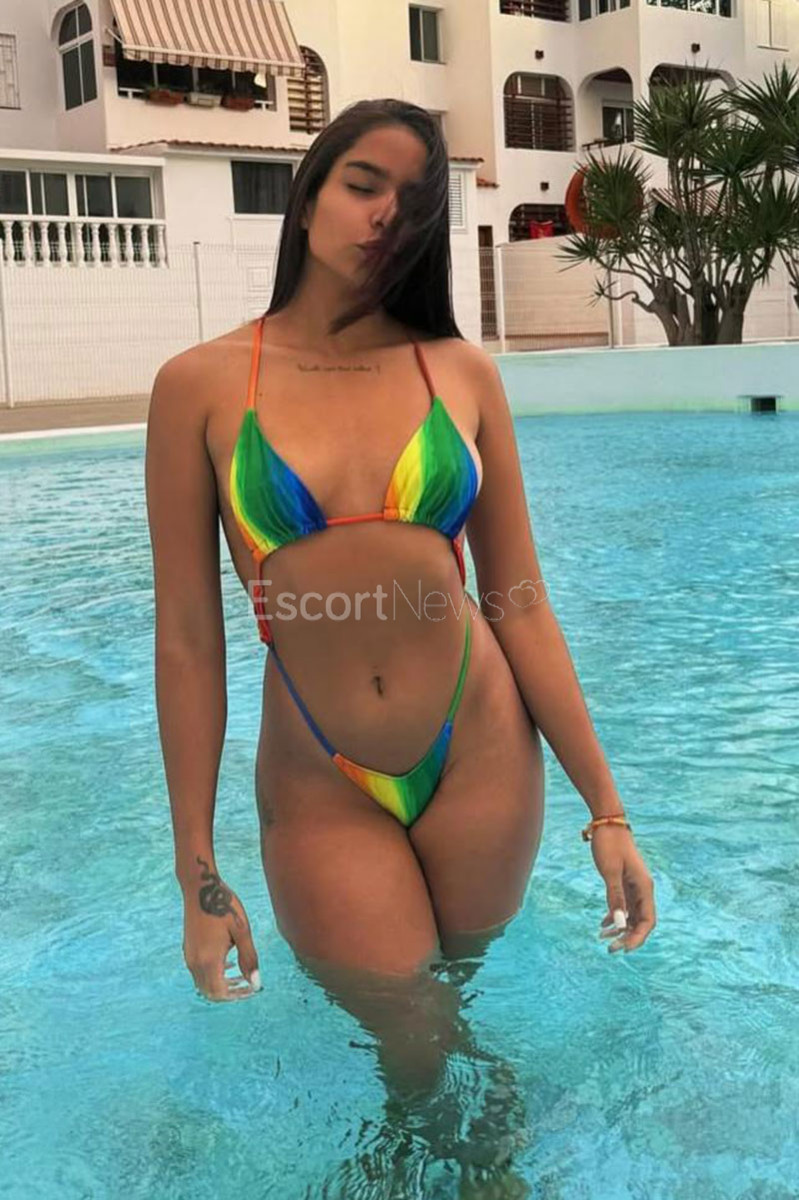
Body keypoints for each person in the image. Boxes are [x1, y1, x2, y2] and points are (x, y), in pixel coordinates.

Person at [145, 97, 656, 1095]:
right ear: (307, 199)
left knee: (454, 998)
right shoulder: (198, 385)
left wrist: (607, 810)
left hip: (480, 750)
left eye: (412, 202)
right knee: (410, 1035)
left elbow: (518, 600)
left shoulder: (458, 371)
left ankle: (478, 1148)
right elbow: (188, 640)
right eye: (362, 184)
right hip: (319, 772)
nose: (385, 214)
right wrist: (195, 870)